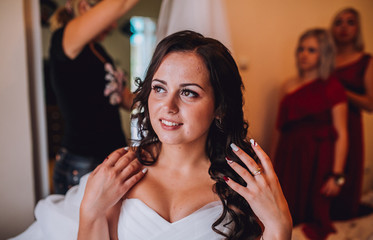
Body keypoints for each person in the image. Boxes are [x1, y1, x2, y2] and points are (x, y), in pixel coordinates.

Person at [10, 30, 292, 240]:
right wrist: (91, 213)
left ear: (220, 107)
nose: (167, 107)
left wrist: (279, 230)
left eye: (188, 93)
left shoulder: (243, 187)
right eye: (159, 88)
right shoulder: (120, 171)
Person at [48, 0, 139, 194]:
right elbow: (121, 3)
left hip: (111, 156)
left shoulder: (99, 51)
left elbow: (124, 98)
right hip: (82, 163)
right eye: (111, 18)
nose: (114, 25)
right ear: (84, 6)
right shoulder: (65, 40)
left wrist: (161, 95)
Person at [273, 29, 348, 239]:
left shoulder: (333, 87)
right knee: (283, 207)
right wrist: (270, 160)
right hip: (289, 154)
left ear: (324, 54)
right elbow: (279, 128)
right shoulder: (287, 85)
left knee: (313, 213)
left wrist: (337, 176)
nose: (303, 54)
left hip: (318, 157)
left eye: (311, 50)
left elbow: (342, 133)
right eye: (301, 49)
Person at [329, 7, 373, 220]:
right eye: (339, 22)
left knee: (346, 174)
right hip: (324, 125)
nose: (344, 27)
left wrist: (341, 91)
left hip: (350, 127)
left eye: (350, 22)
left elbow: (370, 103)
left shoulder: (366, 61)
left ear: (358, 29)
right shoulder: (325, 59)